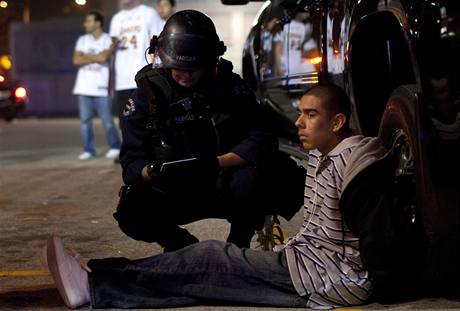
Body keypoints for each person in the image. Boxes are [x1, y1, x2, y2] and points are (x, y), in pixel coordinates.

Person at [42, 84, 391, 309]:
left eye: (310, 114)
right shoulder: (321, 153)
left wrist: (383, 288)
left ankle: (93, 280)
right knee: (205, 281)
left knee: (211, 258)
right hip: (308, 265)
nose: (299, 122)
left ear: (337, 122)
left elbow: (378, 239)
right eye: (299, 112)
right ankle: (96, 280)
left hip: (327, 278)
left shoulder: (357, 166)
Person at [114, 10, 304, 251]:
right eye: (179, 69)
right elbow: (131, 163)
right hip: (174, 189)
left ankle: (239, 243)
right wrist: (152, 171)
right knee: (133, 209)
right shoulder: (146, 97)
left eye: (194, 69)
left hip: (224, 181)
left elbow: (262, 137)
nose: (186, 77)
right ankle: (182, 246)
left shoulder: (229, 86)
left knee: (273, 174)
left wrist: (217, 163)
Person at [72, 11, 121, 161]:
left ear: (98, 23)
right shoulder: (82, 40)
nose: (85, 24)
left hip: (101, 88)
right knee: (85, 122)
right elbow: (76, 60)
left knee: (107, 121)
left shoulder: (108, 39)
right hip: (83, 87)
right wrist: (95, 57)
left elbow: (104, 57)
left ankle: (115, 147)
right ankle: (88, 149)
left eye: (88, 21)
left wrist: (86, 56)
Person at [109, 0, 164, 123]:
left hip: (143, 77)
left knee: (146, 122)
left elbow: (158, 43)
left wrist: (157, 71)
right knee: (124, 123)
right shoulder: (117, 18)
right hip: (122, 80)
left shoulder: (149, 13)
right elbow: (112, 46)